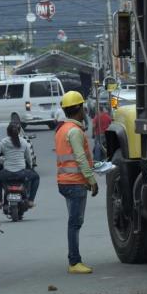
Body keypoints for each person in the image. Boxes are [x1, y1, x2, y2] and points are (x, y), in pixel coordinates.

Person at [55, 91, 97, 274]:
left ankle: (74, 260)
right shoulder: (74, 131)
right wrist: (92, 180)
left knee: (74, 222)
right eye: (84, 107)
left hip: (65, 182)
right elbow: (80, 158)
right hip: (75, 183)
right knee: (75, 223)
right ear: (79, 108)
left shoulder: (62, 129)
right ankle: (74, 262)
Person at [0, 122, 40, 207]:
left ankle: (0, 201)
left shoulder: (3, 142)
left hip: (6, 174)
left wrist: (2, 161)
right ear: (18, 132)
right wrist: (30, 166)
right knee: (36, 177)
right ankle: (31, 201)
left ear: (7, 132)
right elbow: (29, 158)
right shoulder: (24, 142)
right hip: (21, 173)